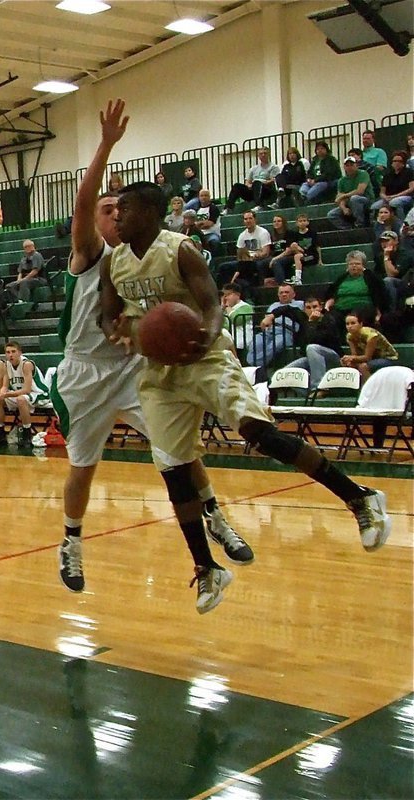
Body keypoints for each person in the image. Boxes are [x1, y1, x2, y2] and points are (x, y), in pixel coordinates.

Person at [101, 180, 390, 614]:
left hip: (206, 358)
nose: (116, 217)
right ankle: (207, 569)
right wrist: (119, 333)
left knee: (259, 432)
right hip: (159, 372)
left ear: (149, 212)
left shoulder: (180, 250)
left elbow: (212, 304)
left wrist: (208, 334)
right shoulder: (115, 264)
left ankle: (359, 497)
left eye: (123, 208)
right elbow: (107, 314)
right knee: (174, 470)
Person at [47, 100, 252, 598]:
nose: (115, 212)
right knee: (83, 465)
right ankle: (70, 542)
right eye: (107, 208)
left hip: (136, 364)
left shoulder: (150, 253)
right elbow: (83, 200)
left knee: (176, 452)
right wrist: (106, 145)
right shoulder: (91, 253)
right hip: (85, 372)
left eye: (122, 207)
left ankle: (214, 516)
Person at [0, 340, 49, 448]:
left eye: (13, 351)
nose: (10, 355)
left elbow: (27, 390)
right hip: (18, 394)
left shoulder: (26, 364)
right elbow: (5, 386)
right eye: (8, 352)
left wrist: (6, 395)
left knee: (21, 399)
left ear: (20, 352)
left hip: (38, 394)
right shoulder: (6, 365)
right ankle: (0, 433)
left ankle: (27, 434)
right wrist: (1, 394)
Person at [284, 297, 342, 390]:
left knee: (312, 348)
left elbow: (316, 339)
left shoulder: (328, 320)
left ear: (321, 307)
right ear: (304, 310)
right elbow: (286, 308)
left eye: (315, 307)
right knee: (285, 374)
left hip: (332, 357)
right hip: (311, 357)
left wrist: (311, 323)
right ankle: (309, 395)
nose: (312, 310)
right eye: (308, 308)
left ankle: (319, 388)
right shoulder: (305, 321)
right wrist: (271, 316)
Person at [324, 250, 388, 331]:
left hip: (363, 308)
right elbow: (331, 295)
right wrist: (327, 305)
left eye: (357, 263)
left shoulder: (371, 277)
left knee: (355, 317)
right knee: (330, 318)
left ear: (363, 265)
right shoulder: (341, 278)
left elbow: (380, 296)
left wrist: (378, 313)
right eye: (351, 264)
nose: (354, 266)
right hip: (340, 309)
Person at [246, 283, 304, 369]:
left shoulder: (300, 304)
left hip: (286, 331)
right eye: (281, 293)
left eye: (287, 292)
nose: (284, 294)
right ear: (278, 295)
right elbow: (266, 321)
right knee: (255, 342)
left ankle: (255, 365)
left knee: (276, 344)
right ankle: (256, 365)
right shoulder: (273, 305)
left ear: (293, 294)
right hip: (270, 331)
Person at [342, 309, 398, 383]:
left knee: (363, 367)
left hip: (388, 358)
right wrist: (349, 360)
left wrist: (351, 358)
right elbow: (355, 355)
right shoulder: (349, 336)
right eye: (347, 324)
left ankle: (368, 391)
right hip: (371, 359)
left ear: (360, 324)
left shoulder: (371, 335)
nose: (350, 326)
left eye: (353, 323)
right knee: (349, 364)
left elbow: (367, 357)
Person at [219, 210, 271, 287]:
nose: (248, 221)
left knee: (256, 265)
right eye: (246, 219)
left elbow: (266, 252)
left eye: (250, 218)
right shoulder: (242, 235)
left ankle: (258, 288)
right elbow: (239, 254)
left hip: (258, 260)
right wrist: (246, 258)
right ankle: (227, 288)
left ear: (255, 220)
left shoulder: (263, 232)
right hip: (245, 261)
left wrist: (256, 256)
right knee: (224, 266)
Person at [224, 147, 279, 212]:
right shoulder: (254, 168)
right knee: (237, 186)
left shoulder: (273, 167)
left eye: (265, 153)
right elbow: (247, 181)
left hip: (266, 190)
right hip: (253, 190)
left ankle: (259, 205)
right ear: (258, 156)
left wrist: (260, 182)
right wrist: (249, 185)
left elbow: (273, 180)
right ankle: (228, 208)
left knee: (257, 183)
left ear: (268, 154)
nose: (263, 155)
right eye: (261, 154)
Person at [327, 156, 374, 229]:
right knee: (331, 214)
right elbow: (339, 198)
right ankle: (348, 229)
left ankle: (360, 224)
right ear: (344, 167)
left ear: (356, 165)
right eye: (347, 165)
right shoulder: (342, 180)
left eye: (352, 165)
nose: (349, 167)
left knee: (355, 198)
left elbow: (360, 191)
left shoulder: (363, 174)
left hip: (366, 201)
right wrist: (343, 208)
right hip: (349, 203)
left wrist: (343, 196)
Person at [370, 150, 414, 222]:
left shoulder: (409, 172)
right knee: (374, 206)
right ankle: (378, 225)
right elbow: (382, 192)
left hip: (406, 197)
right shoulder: (387, 175)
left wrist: (395, 196)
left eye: (399, 161)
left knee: (395, 202)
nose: (397, 163)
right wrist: (385, 197)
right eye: (395, 161)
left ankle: (402, 223)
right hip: (389, 197)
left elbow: (411, 188)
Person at [379, 230, 414, 311]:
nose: (384, 244)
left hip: (406, 283)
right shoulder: (380, 256)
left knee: (388, 281)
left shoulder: (404, 254)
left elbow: (392, 274)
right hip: (389, 283)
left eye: (387, 241)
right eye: (382, 241)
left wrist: (386, 257)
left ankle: (393, 310)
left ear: (396, 241)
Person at [285, 212, 322, 286]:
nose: (302, 223)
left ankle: (298, 279)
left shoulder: (312, 233)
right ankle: (295, 277)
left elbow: (318, 247)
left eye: (304, 221)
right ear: (297, 223)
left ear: (308, 222)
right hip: (302, 257)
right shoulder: (294, 234)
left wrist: (320, 260)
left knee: (297, 256)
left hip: (312, 257)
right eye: (300, 221)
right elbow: (292, 246)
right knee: (294, 247)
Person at [221, 283, 254, 350]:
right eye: (224, 295)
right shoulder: (224, 310)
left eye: (228, 295)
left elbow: (237, 320)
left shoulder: (246, 307)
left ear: (238, 295)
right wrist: (221, 310)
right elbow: (223, 326)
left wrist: (228, 307)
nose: (226, 298)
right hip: (228, 343)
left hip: (242, 343)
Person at [193, 189, 222, 255]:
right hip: (199, 235)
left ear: (209, 197)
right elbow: (194, 224)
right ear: (199, 197)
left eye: (206, 195)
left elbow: (209, 224)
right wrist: (202, 223)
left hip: (211, 234)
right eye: (201, 196)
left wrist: (199, 224)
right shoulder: (197, 209)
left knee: (214, 241)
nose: (203, 197)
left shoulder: (213, 208)